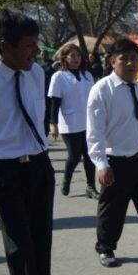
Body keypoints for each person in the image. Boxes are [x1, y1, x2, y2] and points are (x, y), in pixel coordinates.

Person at [0, 8, 65, 275]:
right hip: (3, 170)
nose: (35, 53)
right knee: (20, 246)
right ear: (4, 45)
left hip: (38, 165)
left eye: (36, 45)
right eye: (27, 46)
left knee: (42, 240)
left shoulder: (36, 72)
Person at [86, 39, 138, 268]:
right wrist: (101, 164)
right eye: (123, 59)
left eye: (133, 59)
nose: (129, 63)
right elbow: (94, 131)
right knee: (113, 210)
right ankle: (105, 247)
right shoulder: (101, 90)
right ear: (111, 61)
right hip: (116, 161)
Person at [47, 43, 98, 199]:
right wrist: (53, 124)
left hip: (88, 122)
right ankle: (67, 178)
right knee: (74, 156)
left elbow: (96, 100)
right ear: (65, 58)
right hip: (69, 124)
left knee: (90, 156)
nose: (76, 59)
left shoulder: (87, 75)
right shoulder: (58, 77)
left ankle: (91, 187)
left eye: (78, 55)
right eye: (72, 56)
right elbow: (54, 103)